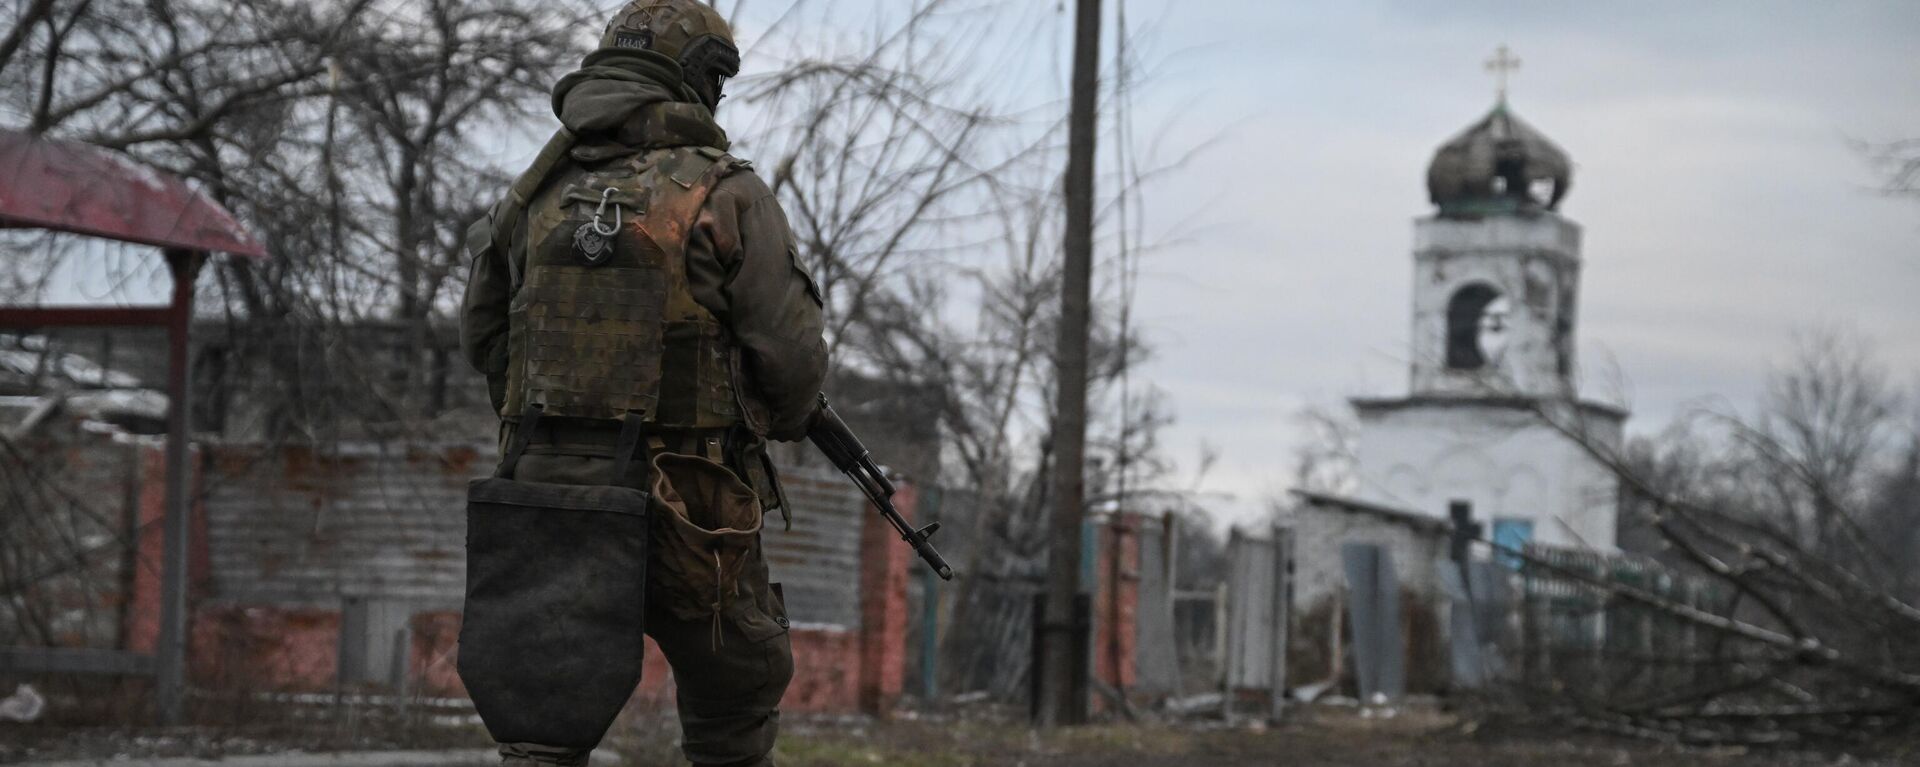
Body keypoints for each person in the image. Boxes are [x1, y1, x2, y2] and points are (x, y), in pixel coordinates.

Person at [457, 1, 827, 764]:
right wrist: (758, 419)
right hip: (689, 497)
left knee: (540, 717)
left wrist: (556, 424)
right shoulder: (726, 194)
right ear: (694, 78)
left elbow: (483, 335)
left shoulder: (534, 194)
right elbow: (790, 361)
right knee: (735, 700)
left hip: (550, 490)